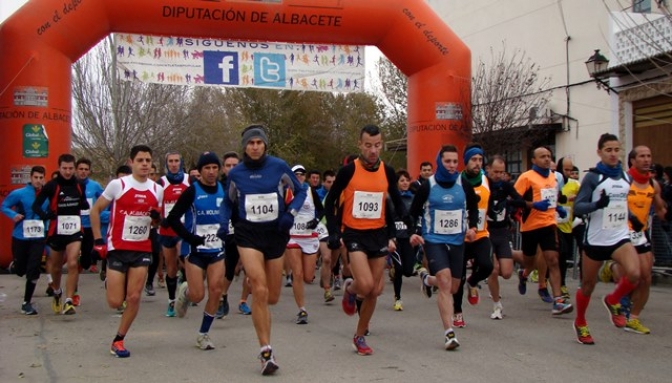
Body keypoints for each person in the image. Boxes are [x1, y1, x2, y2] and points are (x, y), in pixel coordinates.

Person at [217, 125, 306, 375]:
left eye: (259, 142)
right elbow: (227, 202)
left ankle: (257, 289)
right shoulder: (237, 174)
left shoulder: (278, 167)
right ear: (244, 146)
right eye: (250, 142)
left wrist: (290, 213)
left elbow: (301, 192)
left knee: (272, 297)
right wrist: (223, 224)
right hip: (248, 234)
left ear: (265, 145)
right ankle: (265, 351)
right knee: (259, 287)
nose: (255, 146)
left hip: (275, 233)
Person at [324, 124, 409, 356]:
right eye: (368, 145)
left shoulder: (387, 171)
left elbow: (395, 201)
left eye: (377, 145)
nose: (373, 150)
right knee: (368, 285)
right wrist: (334, 231)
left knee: (375, 291)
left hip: (378, 233)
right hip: (354, 234)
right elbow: (329, 201)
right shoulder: (348, 172)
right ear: (360, 145)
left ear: (382, 144)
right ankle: (351, 288)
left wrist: (407, 219)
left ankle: (359, 336)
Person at [90, 144, 162, 357]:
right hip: (118, 248)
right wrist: (97, 240)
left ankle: (119, 340)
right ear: (131, 162)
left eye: (148, 161)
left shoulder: (157, 189)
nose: (145, 164)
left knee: (133, 297)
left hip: (141, 249)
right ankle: (111, 282)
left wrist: (156, 220)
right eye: (140, 160)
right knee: (114, 302)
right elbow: (95, 211)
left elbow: (155, 224)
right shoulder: (118, 185)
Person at [572, 133, 641, 345]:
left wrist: (633, 218)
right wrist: (597, 205)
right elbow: (578, 207)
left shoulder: (626, 177)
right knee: (587, 286)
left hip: (619, 236)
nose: (613, 154)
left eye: (616, 150)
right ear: (599, 152)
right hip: (595, 239)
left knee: (635, 273)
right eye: (608, 150)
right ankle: (581, 322)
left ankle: (613, 300)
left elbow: (621, 204)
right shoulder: (593, 177)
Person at [409, 145, 479, 349]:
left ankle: (427, 279)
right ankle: (449, 333)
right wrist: (414, 232)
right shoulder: (428, 186)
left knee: (453, 286)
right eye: (447, 161)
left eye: (455, 162)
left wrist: (473, 227)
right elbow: (413, 211)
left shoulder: (463, 184)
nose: (451, 166)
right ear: (440, 162)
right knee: (446, 282)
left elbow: (473, 207)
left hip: (457, 241)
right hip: (434, 240)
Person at [166, 151, 226, 350]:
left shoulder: (224, 190)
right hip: (194, 250)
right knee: (198, 295)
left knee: (216, 289)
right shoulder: (192, 191)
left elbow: (232, 216)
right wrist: (190, 237)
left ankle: (203, 334)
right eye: (206, 168)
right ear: (199, 172)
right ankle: (187, 290)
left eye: (214, 168)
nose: (211, 172)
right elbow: (173, 219)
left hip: (217, 249)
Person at [610, 146, 666, 334]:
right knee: (630, 273)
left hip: (641, 233)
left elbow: (660, 208)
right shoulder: (624, 180)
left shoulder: (653, 184)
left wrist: (663, 213)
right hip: (622, 233)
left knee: (646, 277)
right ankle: (613, 271)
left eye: (649, 156)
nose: (646, 159)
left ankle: (633, 318)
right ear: (632, 161)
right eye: (642, 156)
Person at [514, 146, 573, 316]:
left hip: (548, 224)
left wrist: (558, 208)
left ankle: (558, 301)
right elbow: (514, 200)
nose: (547, 159)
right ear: (533, 160)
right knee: (530, 261)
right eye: (542, 156)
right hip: (530, 226)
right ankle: (524, 274)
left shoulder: (554, 178)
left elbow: (554, 197)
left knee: (553, 260)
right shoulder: (526, 178)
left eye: (548, 156)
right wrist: (533, 205)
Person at [33, 153, 89, 315]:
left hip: (75, 229)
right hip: (57, 230)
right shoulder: (51, 185)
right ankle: (57, 292)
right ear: (59, 168)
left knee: (72, 263)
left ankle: (69, 301)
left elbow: (83, 201)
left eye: (71, 168)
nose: (67, 172)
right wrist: (46, 215)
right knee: (56, 267)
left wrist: (84, 204)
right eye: (64, 168)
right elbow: (36, 206)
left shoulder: (79, 185)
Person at [452, 144, 494, 328]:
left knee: (487, 266)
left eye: (480, 159)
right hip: (460, 236)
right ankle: (457, 311)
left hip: (480, 233)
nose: (477, 163)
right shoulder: (457, 181)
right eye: (473, 160)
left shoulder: (486, 179)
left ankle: (473, 280)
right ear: (466, 162)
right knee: (458, 277)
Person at [485, 155, 526, 319]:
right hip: (486, 232)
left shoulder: (506, 186)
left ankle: (512, 256)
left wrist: (508, 203)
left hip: (502, 232)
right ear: (488, 170)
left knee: (507, 273)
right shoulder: (484, 184)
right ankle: (496, 305)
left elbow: (519, 200)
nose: (498, 175)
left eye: (501, 172)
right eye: (495, 172)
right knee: (493, 270)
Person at [1, 166, 47, 315]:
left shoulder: (47, 195)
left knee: (33, 268)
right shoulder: (19, 193)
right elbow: (4, 206)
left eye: (41, 178)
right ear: (31, 178)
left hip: (38, 237)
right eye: (36, 177)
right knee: (20, 270)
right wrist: (13, 214)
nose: (38, 181)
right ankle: (15, 265)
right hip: (20, 236)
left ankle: (26, 302)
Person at [285, 164, 324, 324]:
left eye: (302, 174)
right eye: (296, 174)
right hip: (293, 236)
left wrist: (315, 221)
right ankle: (302, 310)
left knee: (308, 277)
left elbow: (321, 210)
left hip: (309, 236)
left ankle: (299, 279)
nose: (299, 176)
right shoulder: (286, 192)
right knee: (298, 275)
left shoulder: (310, 191)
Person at [216, 151, 252, 318]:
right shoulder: (219, 187)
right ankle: (223, 296)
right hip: (226, 232)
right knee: (229, 270)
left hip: (245, 230)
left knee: (250, 269)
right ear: (223, 168)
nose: (231, 168)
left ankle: (243, 301)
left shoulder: (247, 183)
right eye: (228, 166)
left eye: (235, 165)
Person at [157, 152, 190, 317]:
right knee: (170, 268)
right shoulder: (161, 182)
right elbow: (154, 204)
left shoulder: (189, 180)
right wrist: (160, 219)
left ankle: (187, 286)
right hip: (167, 230)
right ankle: (171, 301)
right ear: (167, 163)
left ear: (181, 162)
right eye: (171, 161)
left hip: (183, 229)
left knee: (184, 259)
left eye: (177, 161)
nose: (174, 164)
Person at [390, 169, 416, 312]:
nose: (405, 183)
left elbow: (416, 216)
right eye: (402, 180)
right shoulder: (391, 199)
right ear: (397, 183)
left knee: (408, 270)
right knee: (399, 269)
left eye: (407, 180)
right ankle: (398, 298)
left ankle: (395, 271)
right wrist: (390, 236)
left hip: (408, 238)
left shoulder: (412, 198)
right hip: (395, 239)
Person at [76, 158, 105, 279]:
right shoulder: (71, 185)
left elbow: (104, 200)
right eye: (81, 169)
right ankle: (74, 273)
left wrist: (101, 213)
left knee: (86, 258)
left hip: (89, 225)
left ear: (89, 171)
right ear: (76, 170)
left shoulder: (95, 186)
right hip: (75, 226)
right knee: (73, 254)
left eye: (86, 169)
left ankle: (84, 261)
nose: (83, 172)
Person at [556, 157, 580, 300]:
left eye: (571, 170)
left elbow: (583, 196)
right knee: (559, 254)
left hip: (568, 225)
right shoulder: (555, 181)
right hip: (555, 224)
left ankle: (560, 282)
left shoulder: (575, 184)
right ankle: (558, 283)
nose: (569, 173)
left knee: (565, 256)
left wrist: (576, 198)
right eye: (566, 170)